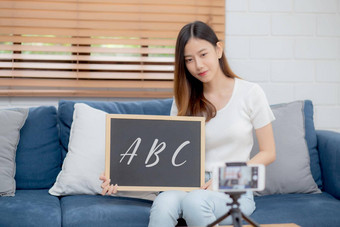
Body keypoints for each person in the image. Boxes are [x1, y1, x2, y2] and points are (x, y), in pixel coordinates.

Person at [100, 20, 276, 227]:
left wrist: (222, 179)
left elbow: (269, 153)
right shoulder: (183, 99)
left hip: (233, 186)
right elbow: (168, 159)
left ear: (218, 50)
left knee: (195, 202)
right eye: (189, 60)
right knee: (164, 202)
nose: (198, 65)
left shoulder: (250, 93)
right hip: (188, 183)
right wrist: (121, 182)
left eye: (203, 55)